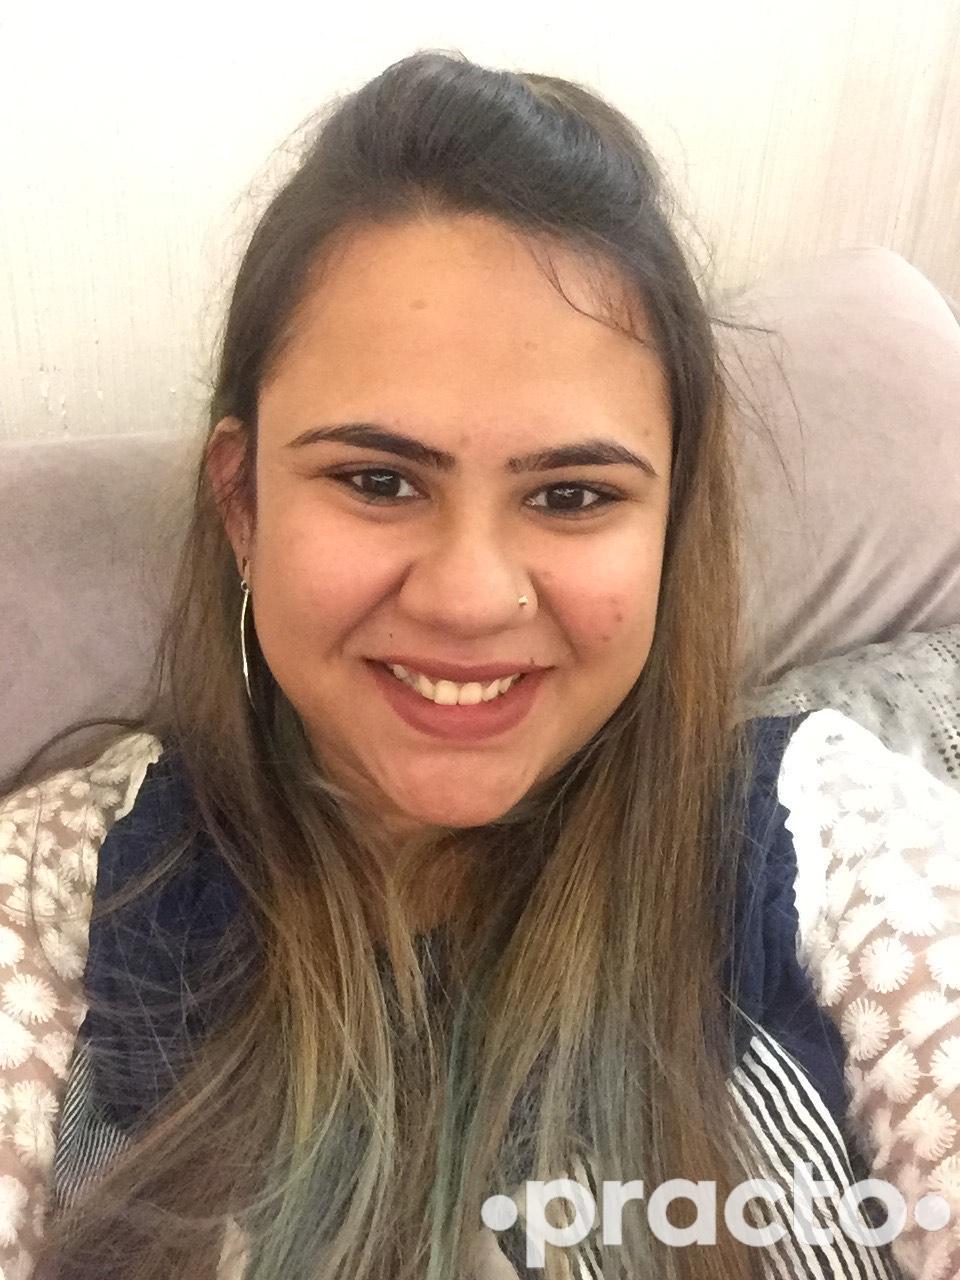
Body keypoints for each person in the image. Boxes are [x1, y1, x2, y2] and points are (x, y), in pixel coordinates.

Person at [2, 48, 959, 1280]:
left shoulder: (840, 848)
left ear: (669, 524)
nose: (468, 597)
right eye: (378, 479)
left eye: (571, 494)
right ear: (242, 505)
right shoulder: (57, 898)